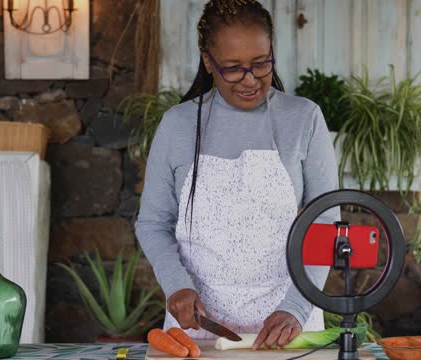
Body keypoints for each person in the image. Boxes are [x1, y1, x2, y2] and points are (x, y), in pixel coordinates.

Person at [135, 0, 339, 350]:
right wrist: (176, 286)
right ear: (207, 61)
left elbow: (325, 224)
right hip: (196, 329)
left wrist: (296, 306)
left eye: (260, 64)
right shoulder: (177, 125)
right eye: (232, 68)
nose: (250, 80)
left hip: (288, 327)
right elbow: (152, 222)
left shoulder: (304, 118)